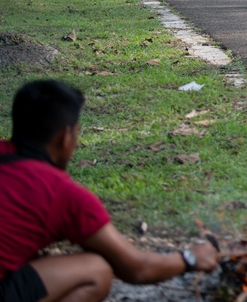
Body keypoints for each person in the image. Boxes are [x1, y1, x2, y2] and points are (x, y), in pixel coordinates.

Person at [0, 80, 220, 302]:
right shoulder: (60, 192)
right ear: (66, 137)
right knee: (96, 270)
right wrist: (190, 257)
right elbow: (137, 268)